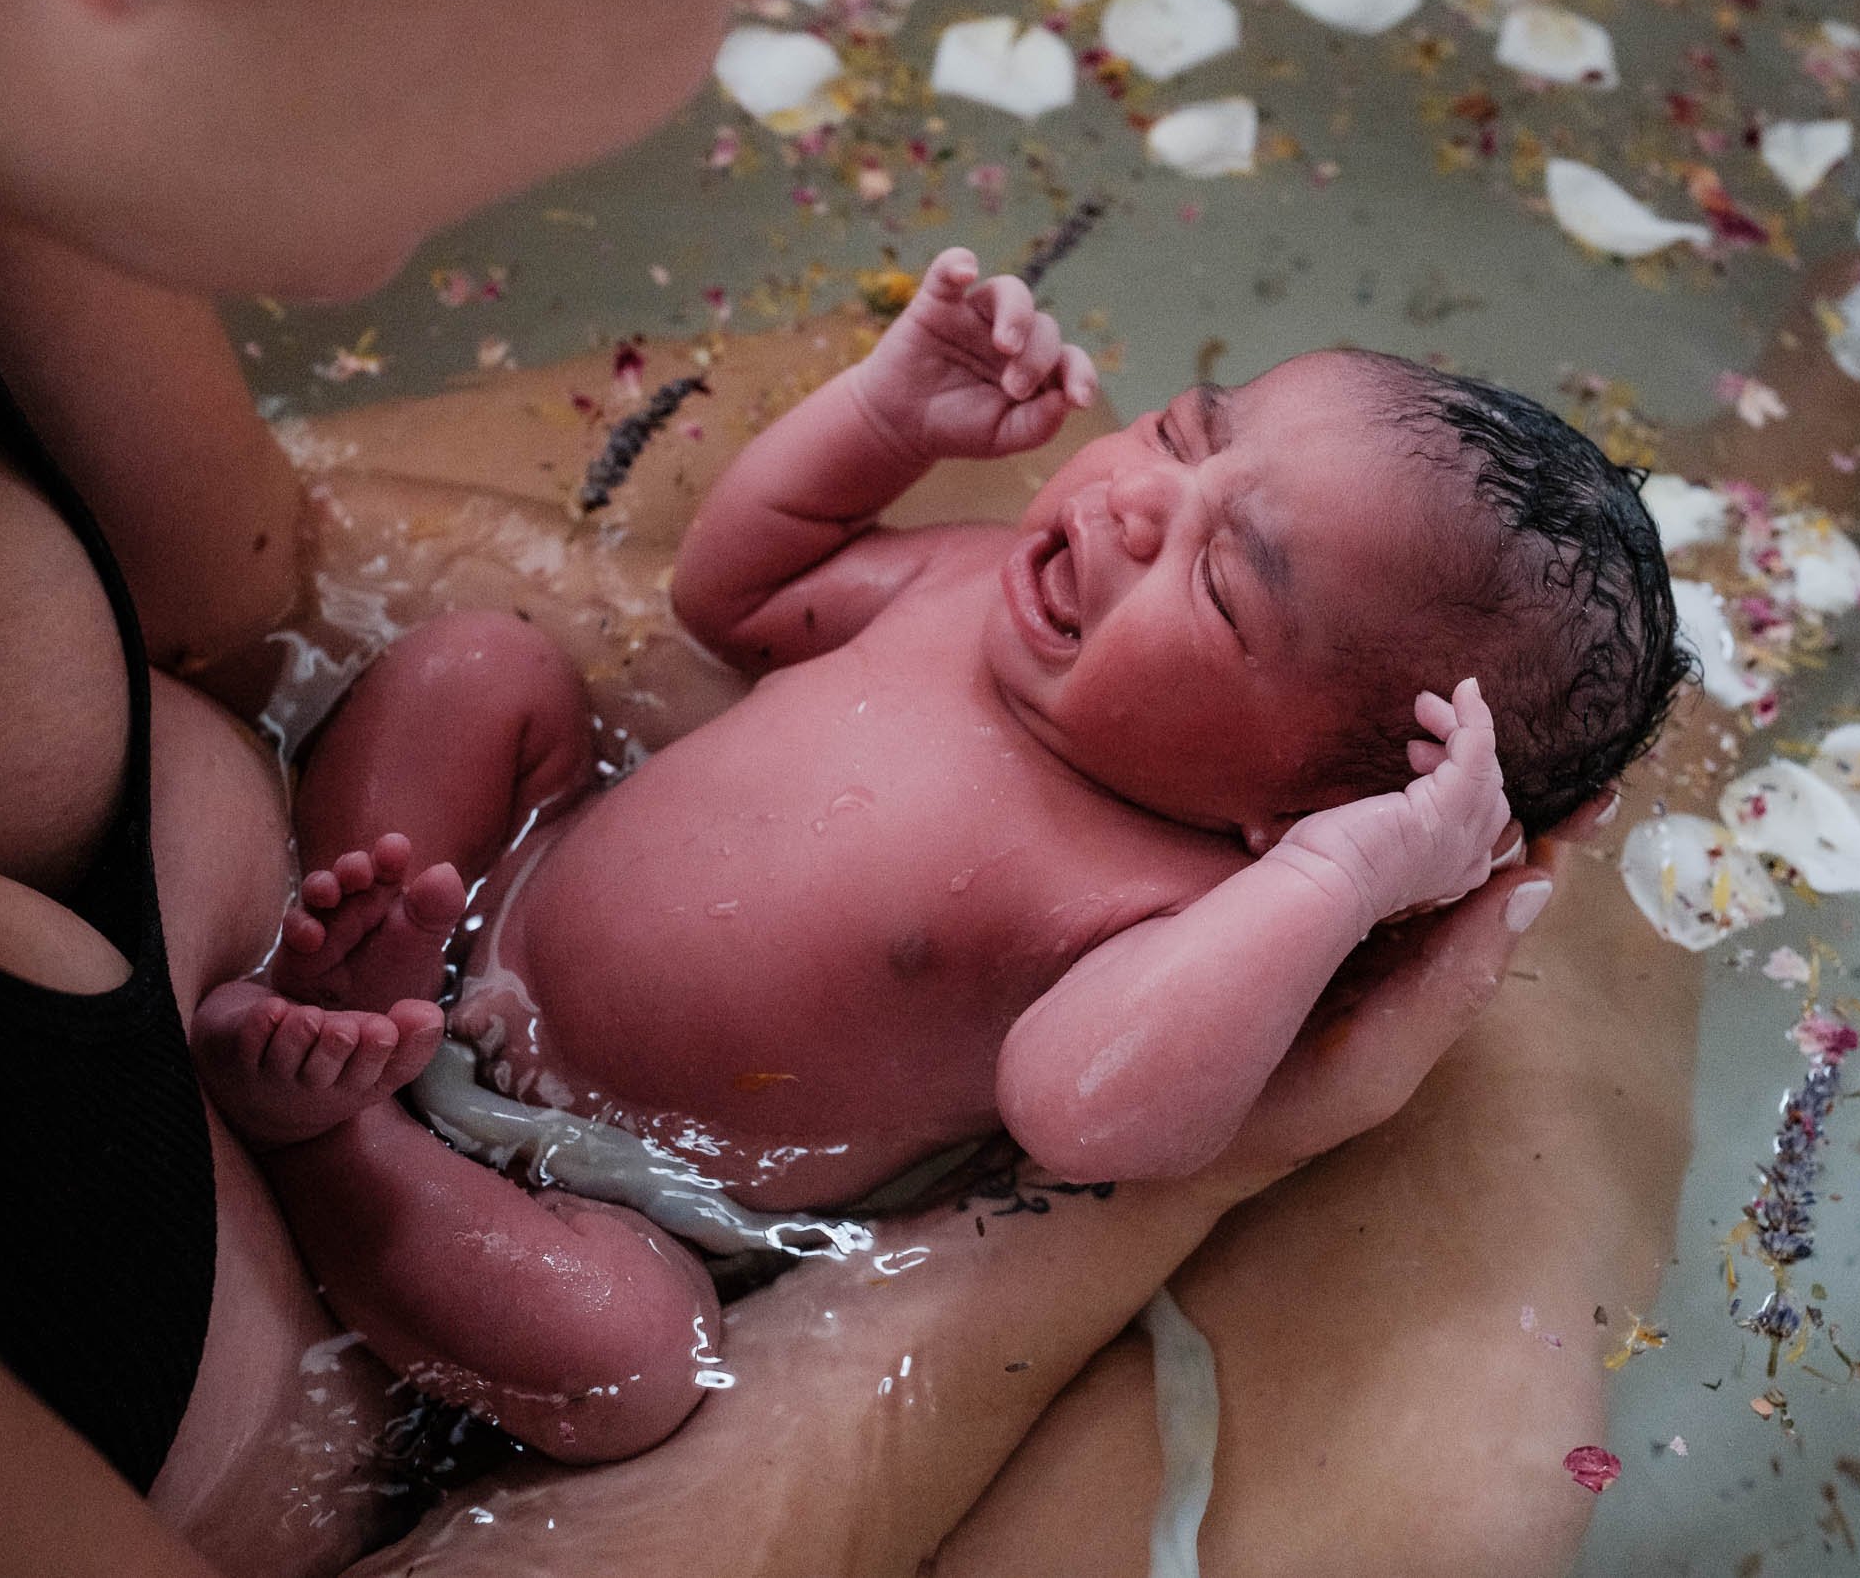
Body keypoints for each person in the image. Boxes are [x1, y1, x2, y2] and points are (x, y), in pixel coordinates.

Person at [0, 0, 1591, 1576]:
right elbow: (758, 601)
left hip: (557, 1126)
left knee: (493, 719)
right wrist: (1159, 1202)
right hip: (385, 1305)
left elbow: (264, 579)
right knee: (1415, 1434)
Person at [187, 248, 1686, 1464]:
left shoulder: (1189, 906)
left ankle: (345, 1146)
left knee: (633, 1364)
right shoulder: (966, 585)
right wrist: (886, 417)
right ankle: (340, 962)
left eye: (1221, 583)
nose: (1134, 499)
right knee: (472, 674)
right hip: (507, 892)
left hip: (625, 1190)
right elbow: (735, 601)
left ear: (1298, 810)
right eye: (1184, 431)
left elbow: (1087, 1112)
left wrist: (1347, 881)